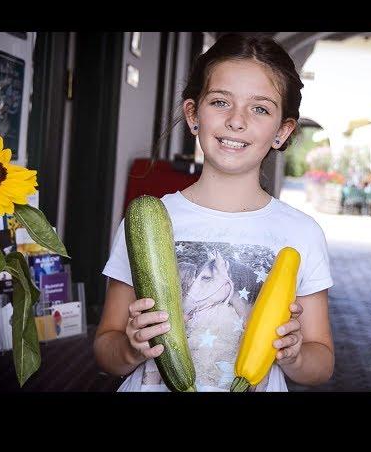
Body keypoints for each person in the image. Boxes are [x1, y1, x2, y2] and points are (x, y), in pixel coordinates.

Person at [94, 33, 335, 392]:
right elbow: (105, 349)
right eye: (221, 102)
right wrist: (130, 347)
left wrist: (296, 355)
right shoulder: (147, 221)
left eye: (260, 108)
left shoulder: (302, 233)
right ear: (193, 115)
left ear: (282, 132)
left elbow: (322, 363)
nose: (237, 121)